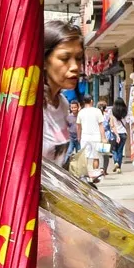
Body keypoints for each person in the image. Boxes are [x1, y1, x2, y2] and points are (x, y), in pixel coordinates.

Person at [41, 21, 84, 165]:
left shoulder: (63, 104)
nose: (75, 67)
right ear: (45, 61)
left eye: (78, 58)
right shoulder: (30, 106)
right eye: (65, 59)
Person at [77, 94, 107, 177]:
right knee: (95, 157)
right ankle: (95, 174)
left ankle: (85, 175)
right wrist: (103, 137)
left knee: (85, 157)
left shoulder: (81, 112)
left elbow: (78, 126)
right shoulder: (97, 111)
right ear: (91, 101)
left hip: (85, 136)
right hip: (96, 137)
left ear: (84, 102)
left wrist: (79, 136)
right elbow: (101, 125)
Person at [108, 98, 128, 172]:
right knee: (120, 150)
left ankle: (116, 162)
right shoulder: (125, 112)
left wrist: (117, 135)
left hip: (115, 133)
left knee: (113, 150)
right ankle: (119, 167)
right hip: (124, 133)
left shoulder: (112, 112)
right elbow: (128, 121)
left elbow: (112, 125)